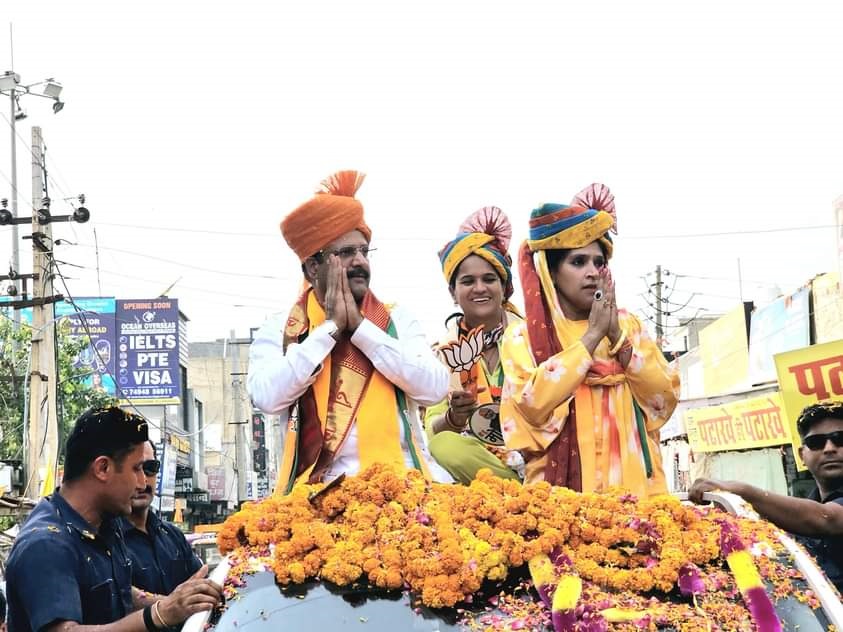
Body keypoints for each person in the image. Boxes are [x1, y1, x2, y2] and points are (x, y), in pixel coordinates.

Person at [248, 170, 452, 493]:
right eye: (345, 253)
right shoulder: (283, 329)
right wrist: (328, 331)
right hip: (318, 494)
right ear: (313, 268)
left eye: (364, 251)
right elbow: (266, 396)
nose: (360, 262)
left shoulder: (396, 320)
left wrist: (362, 330)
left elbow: (436, 387)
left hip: (404, 486)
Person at [499, 183, 679, 496]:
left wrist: (616, 337)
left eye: (599, 262)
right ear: (551, 272)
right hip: (561, 495)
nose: (592, 271)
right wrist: (592, 337)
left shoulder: (628, 325)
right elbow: (532, 407)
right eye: (578, 262)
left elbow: (663, 398)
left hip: (636, 490)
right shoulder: (523, 336)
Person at [5, 406, 222, 632]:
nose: (142, 482)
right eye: (137, 469)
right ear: (103, 468)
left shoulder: (104, 527)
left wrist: (177, 601)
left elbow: (120, 592)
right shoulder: (46, 544)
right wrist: (158, 614)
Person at [689, 400, 843, 592]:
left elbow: (827, 519)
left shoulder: (814, 516)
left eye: (840, 439)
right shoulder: (799, 513)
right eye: (816, 442)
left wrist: (742, 491)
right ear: (802, 455)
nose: (829, 448)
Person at [425, 206, 524, 483]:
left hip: (535, 451)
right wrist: (455, 417)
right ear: (453, 293)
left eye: (489, 279)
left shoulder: (532, 339)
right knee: (444, 446)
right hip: (477, 461)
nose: (479, 288)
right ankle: (518, 494)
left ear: (504, 287)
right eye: (468, 281)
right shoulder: (444, 353)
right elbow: (432, 429)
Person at [121, 440, 202, 597]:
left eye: (150, 468)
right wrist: (166, 608)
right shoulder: (105, 543)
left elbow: (200, 586)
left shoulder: (173, 536)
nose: (142, 480)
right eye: (134, 469)